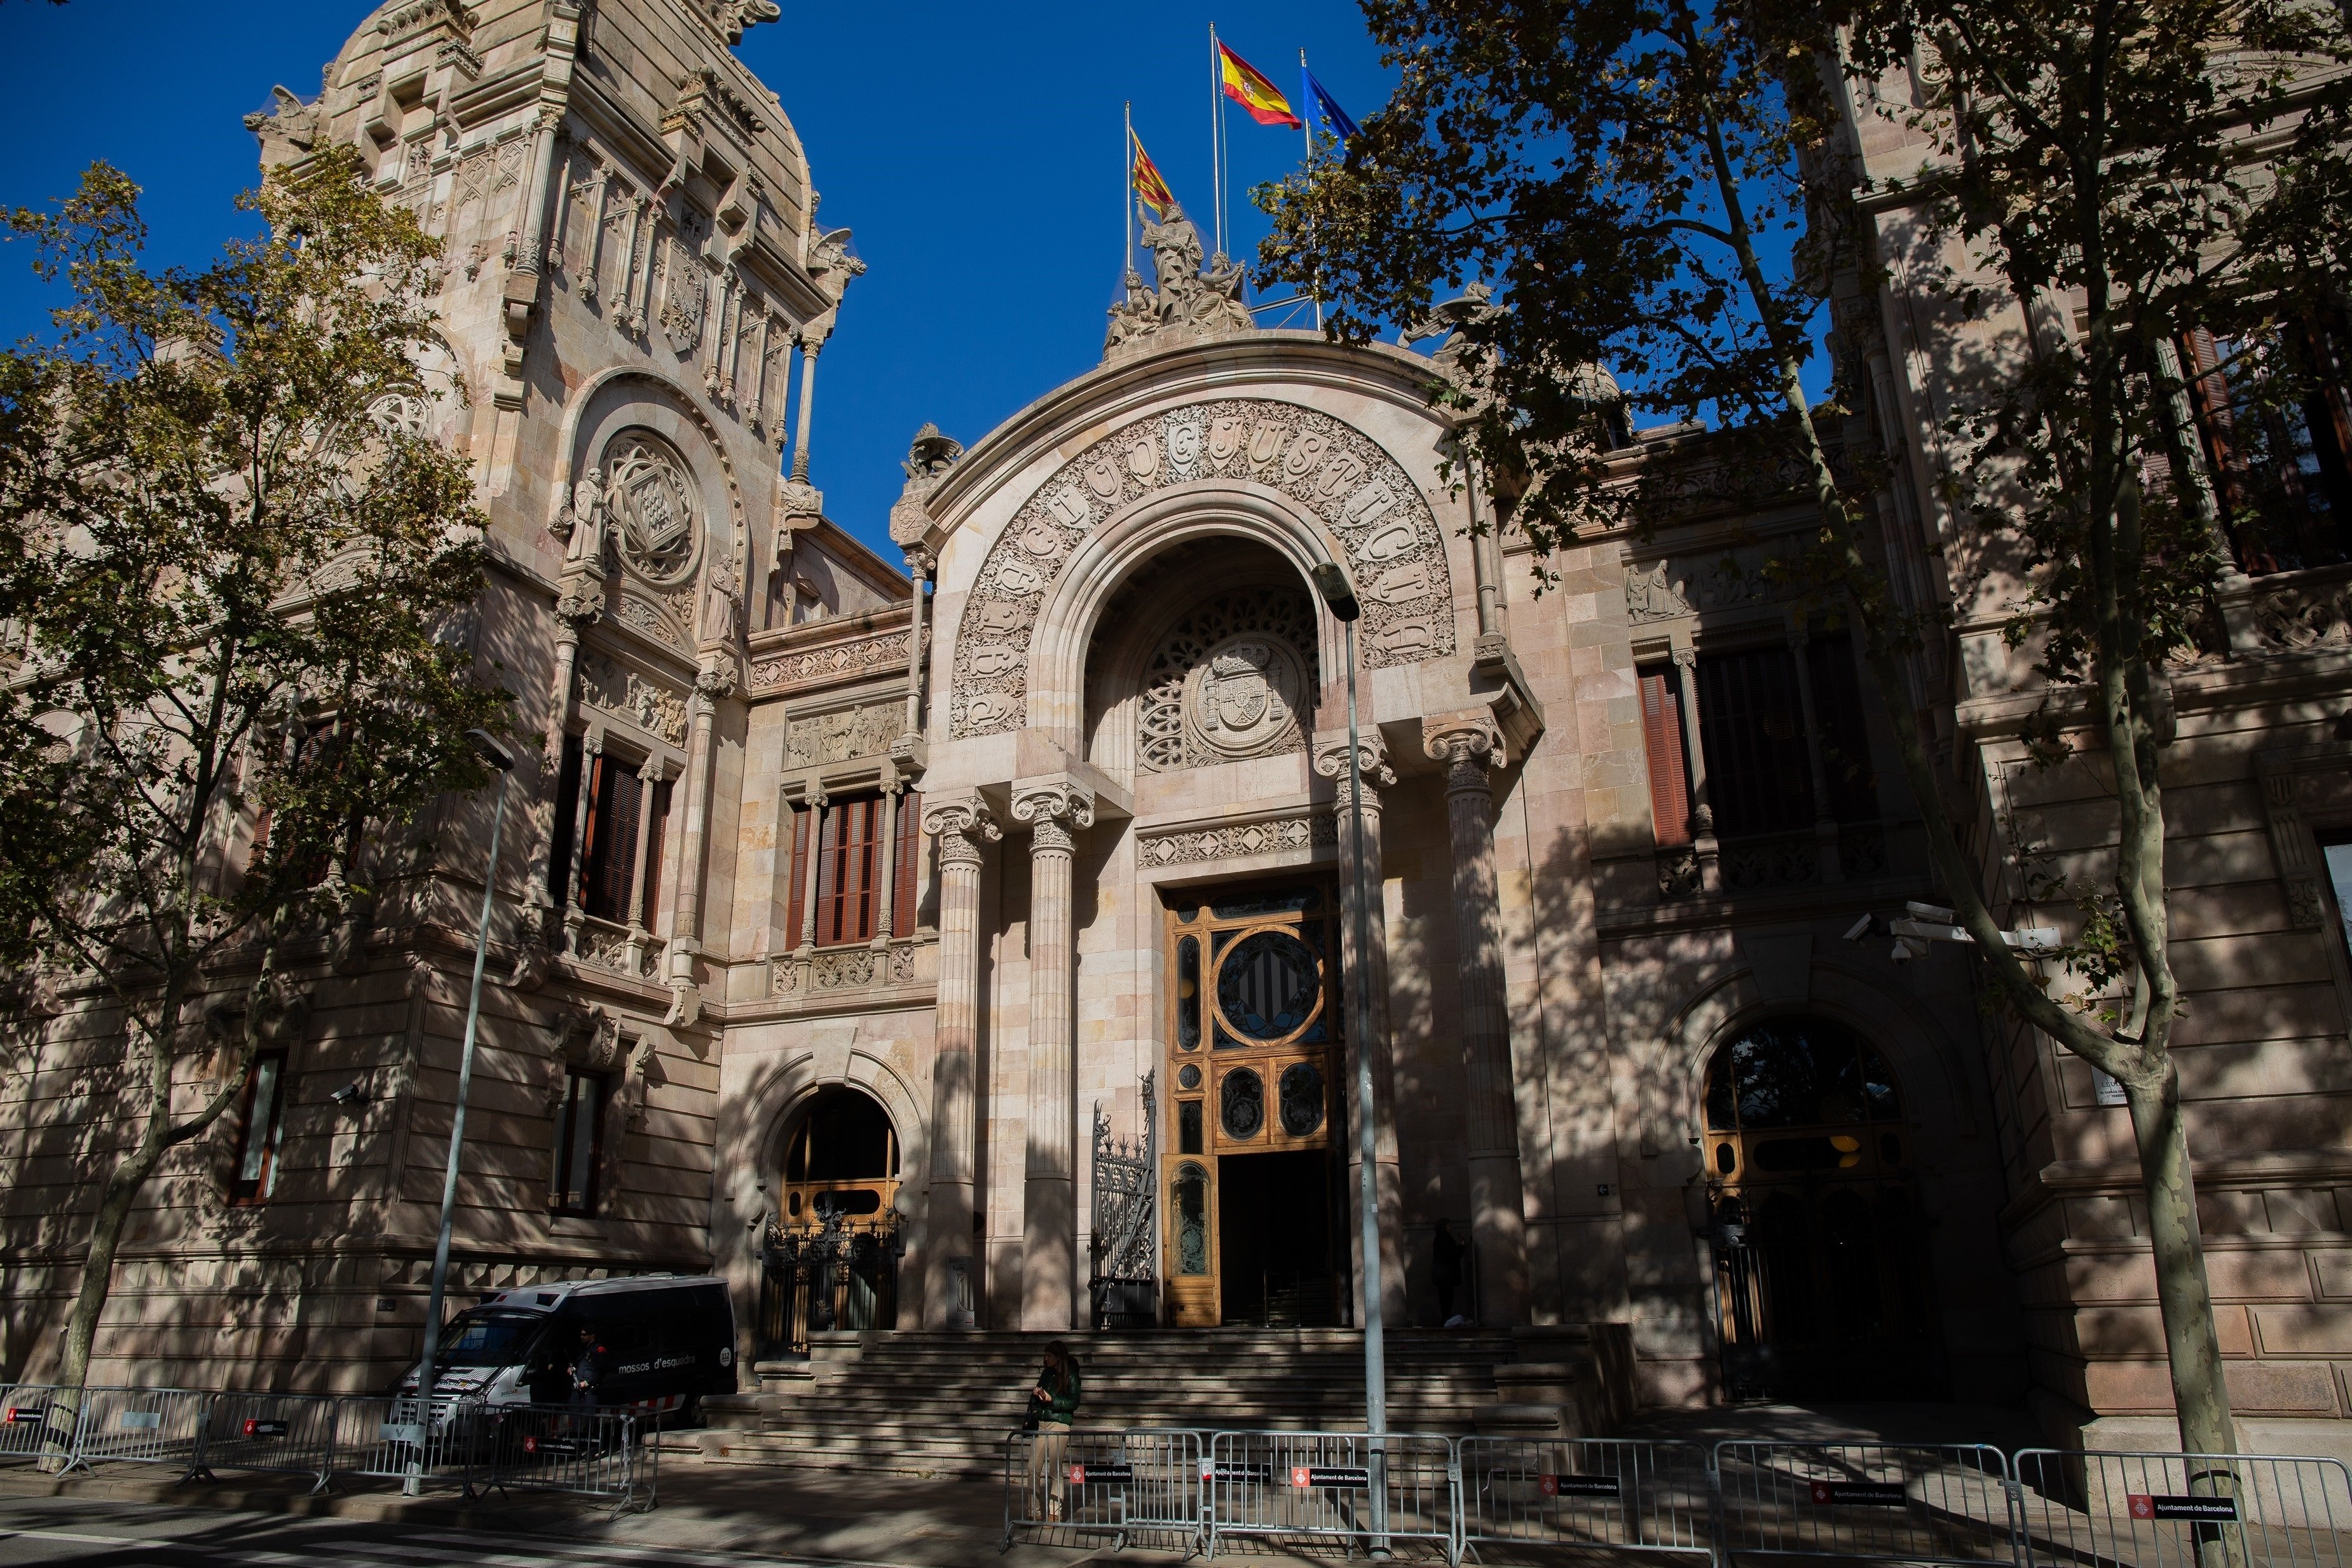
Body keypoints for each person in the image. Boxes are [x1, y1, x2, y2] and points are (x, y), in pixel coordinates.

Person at [1023, 1341, 1082, 1523]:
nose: (1045, 1359)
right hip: (1041, 1423)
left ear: (1058, 1357)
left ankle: (1055, 1512)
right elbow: (1041, 1394)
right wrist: (1038, 1393)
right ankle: (1034, 1512)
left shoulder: (1071, 1375)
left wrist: (1052, 1400)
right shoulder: (1046, 1373)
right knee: (1033, 1468)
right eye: (1045, 1355)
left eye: (1049, 1355)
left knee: (1055, 1469)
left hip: (1059, 1424)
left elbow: (1074, 1402)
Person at [1433, 1218, 1466, 1326]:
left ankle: (1445, 1320)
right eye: (1449, 1226)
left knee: (1444, 1299)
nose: (1451, 1228)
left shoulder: (1438, 1239)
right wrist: (1462, 1243)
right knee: (1447, 1299)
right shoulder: (1446, 1239)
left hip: (1441, 1275)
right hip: (1446, 1275)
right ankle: (1446, 1321)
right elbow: (1454, 1253)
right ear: (1444, 1227)